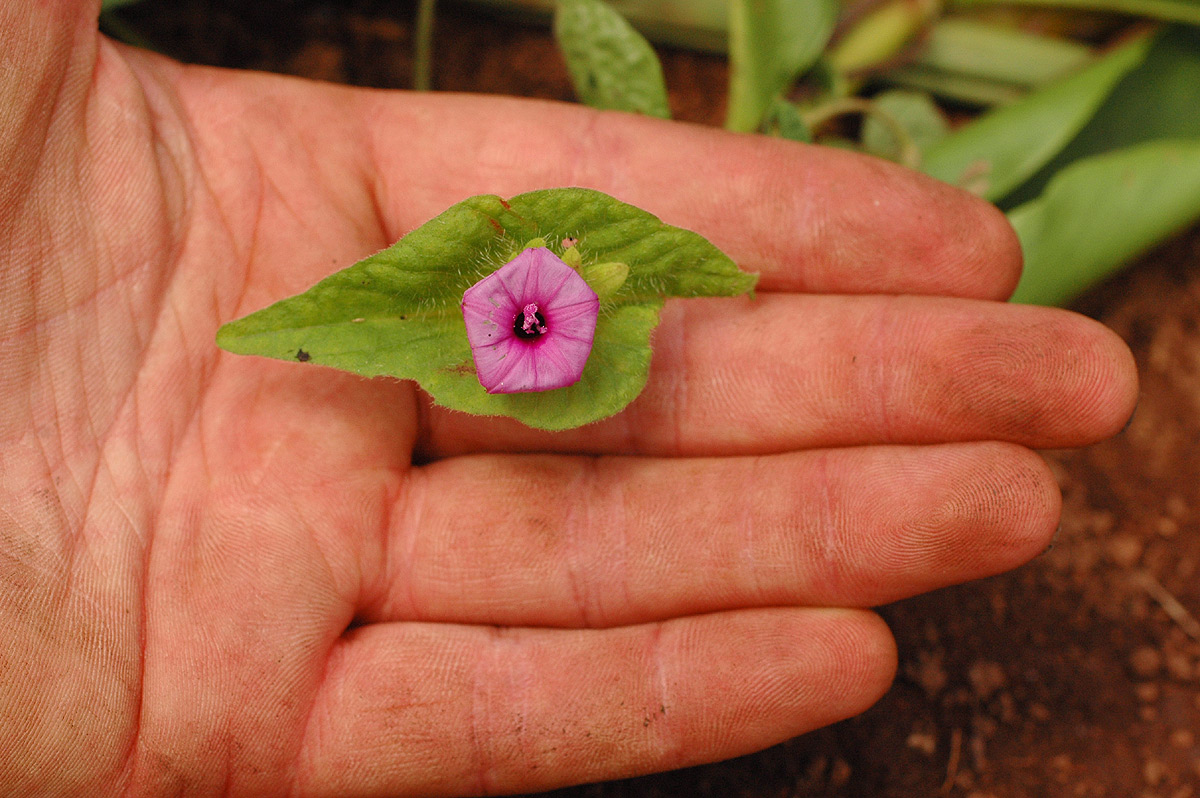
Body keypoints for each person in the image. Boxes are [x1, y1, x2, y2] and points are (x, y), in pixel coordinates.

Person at [0, 1, 1138, 795]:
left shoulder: (543, 308)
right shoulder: (522, 308)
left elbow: (541, 334)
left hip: (534, 313)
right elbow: (514, 336)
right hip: (515, 315)